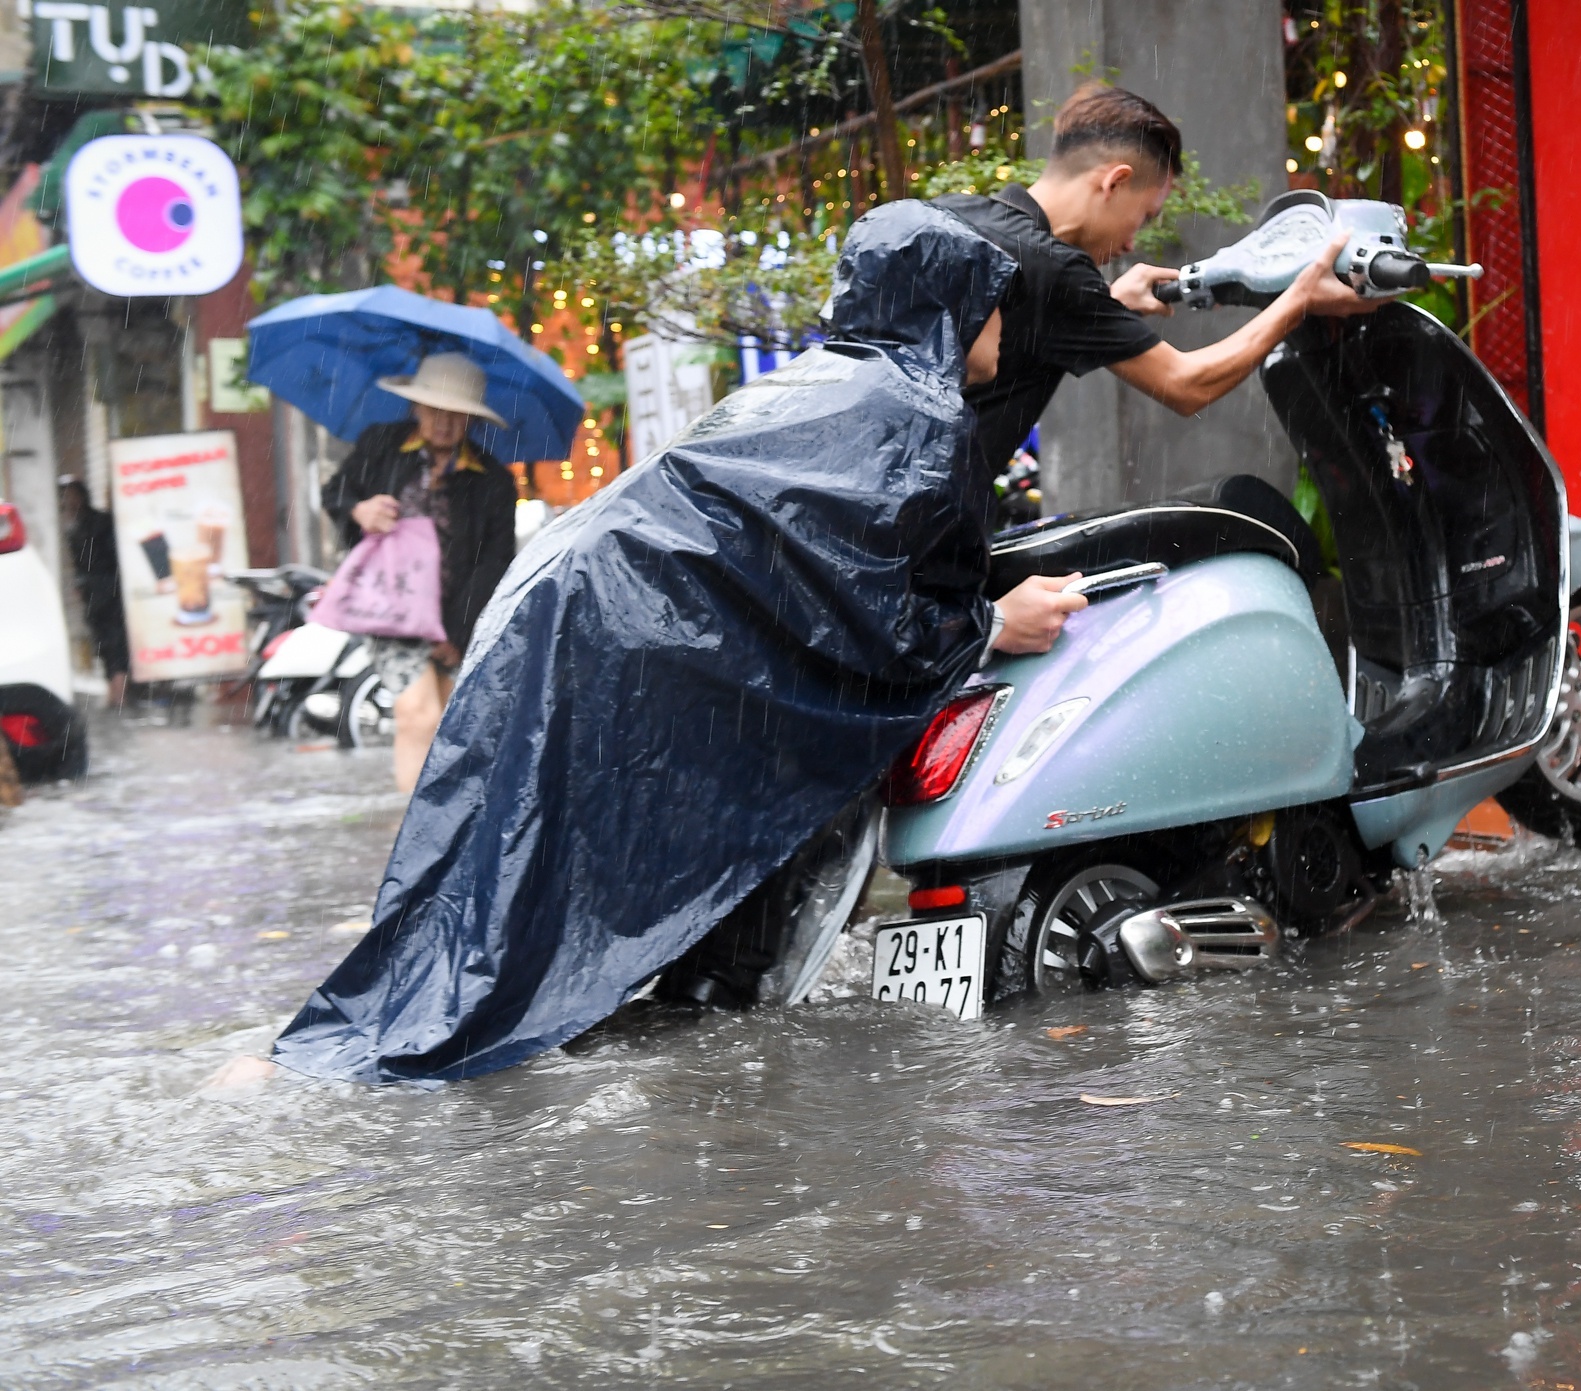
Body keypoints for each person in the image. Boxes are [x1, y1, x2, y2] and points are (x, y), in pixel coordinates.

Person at [252, 201, 1081, 1086]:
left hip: (569, 601)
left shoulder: (814, 382)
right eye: (994, 301)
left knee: (513, 850)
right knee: (556, 862)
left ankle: (355, 1037)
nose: (1004, 324)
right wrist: (992, 622)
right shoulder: (917, 414)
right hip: (631, 625)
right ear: (951, 302)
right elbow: (876, 610)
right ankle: (406, 1044)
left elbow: (819, 570)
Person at [935, 82, 1377, 496]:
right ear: (1115, 181)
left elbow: (1005, 329)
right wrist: (1298, 301)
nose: (1131, 243)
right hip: (927, 542)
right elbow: (1186, 386)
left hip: (883, 516)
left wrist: (1105, 305)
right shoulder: (1056, 272)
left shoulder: (957, 215)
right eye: (1145, 216)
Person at [320, 353, 518, 792]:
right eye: (435, 411)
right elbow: (336, 492)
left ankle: (441, 829)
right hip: (393, 611)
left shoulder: (493, 481)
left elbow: (494, 562)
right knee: (418, 714)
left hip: (454, 616)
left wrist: (458, 632)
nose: (444, 423)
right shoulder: (381, 446)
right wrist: (360, 509)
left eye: (456, 415)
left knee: (450, 726)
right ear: (416, 408)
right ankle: (409, 834)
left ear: (471, 419)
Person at [58, 476, 129, 708]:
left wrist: (107, 583)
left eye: (72, 495)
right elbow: (80, 563)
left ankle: (119, 688)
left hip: (108, 590)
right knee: (103, 641)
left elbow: (111, 556)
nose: (69, 500)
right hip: (93, 593)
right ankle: (113, 687)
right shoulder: (74, 525)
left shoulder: (99, 522)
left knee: (114, 639)